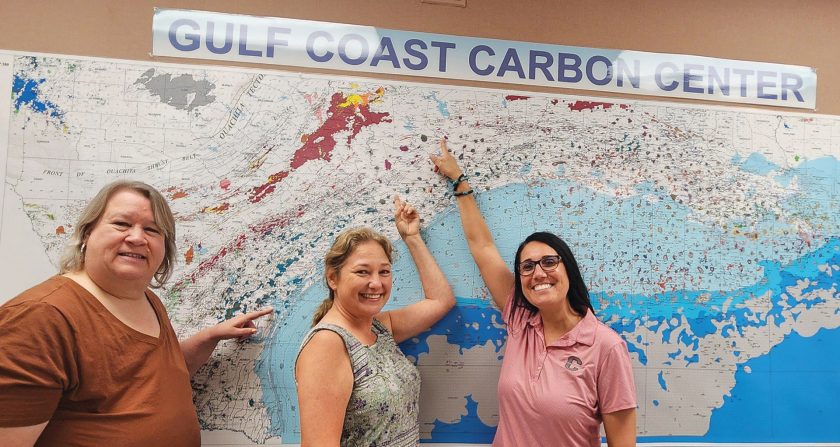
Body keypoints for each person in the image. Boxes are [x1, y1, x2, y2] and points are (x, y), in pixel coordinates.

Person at [0, 180, 273, 447]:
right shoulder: (39, 318)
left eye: (153, 230)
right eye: (121, 224)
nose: (137, 238)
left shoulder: (146, 299)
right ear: (87, 233)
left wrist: (208, 338)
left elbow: (153, 380)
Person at [430, 139, 637, 447]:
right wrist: (459, 180)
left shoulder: (606, 347)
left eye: (549, 262)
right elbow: (483, 248)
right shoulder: (519, 319)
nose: (538, 273)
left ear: (568, 269)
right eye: (527, 267)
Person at [295, 196, 455, 447]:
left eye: (384, 271)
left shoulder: (379, 327)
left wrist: (411, 238)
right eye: (362, 271)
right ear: (332, 279)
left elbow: (440, 300)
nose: (376, 283)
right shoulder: (327, 345)